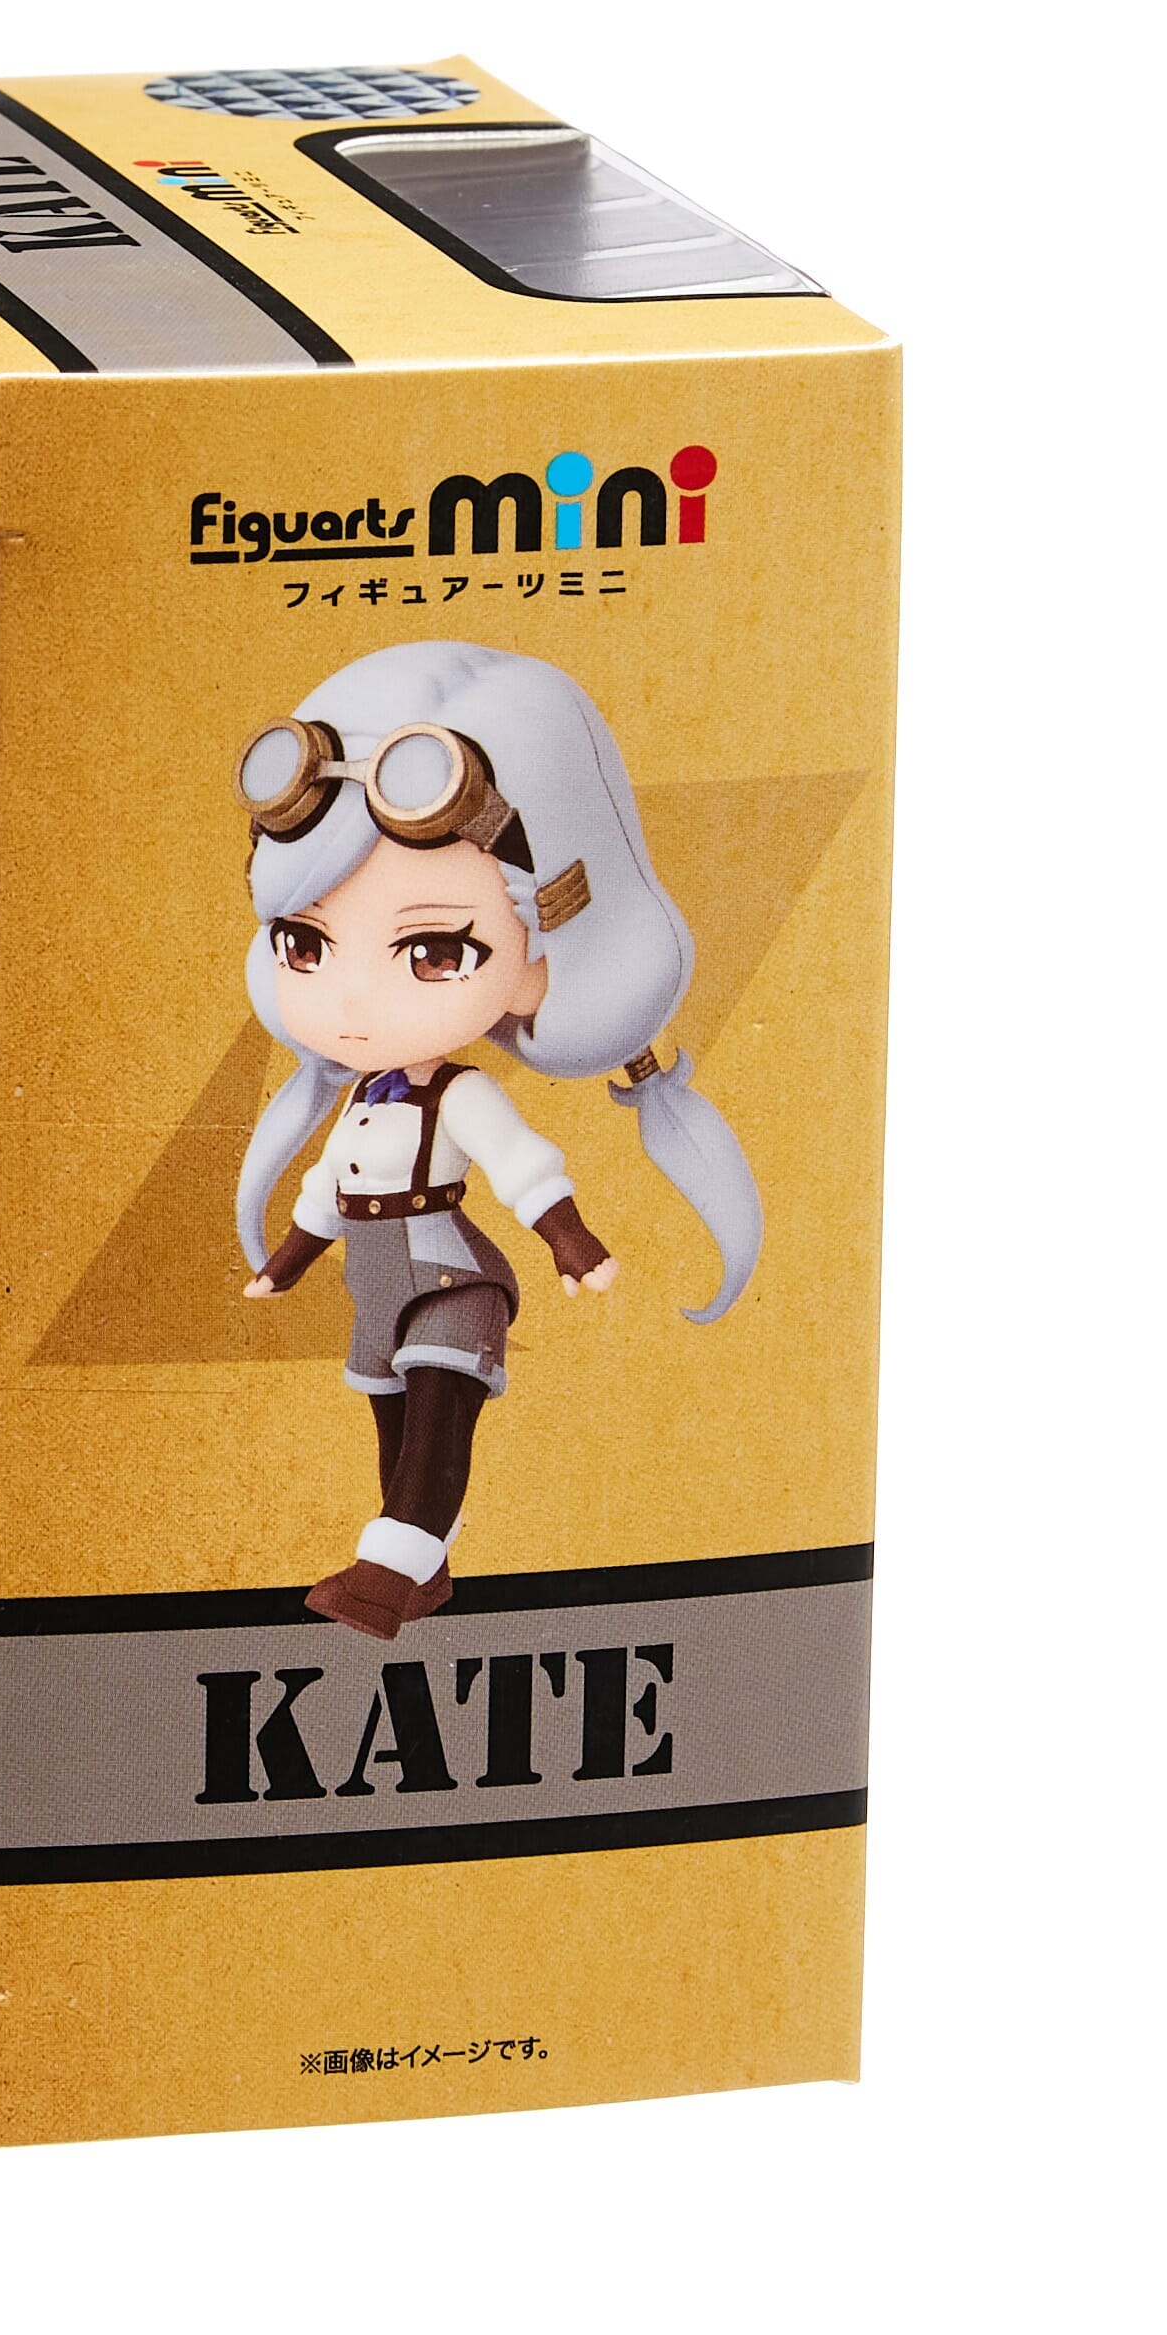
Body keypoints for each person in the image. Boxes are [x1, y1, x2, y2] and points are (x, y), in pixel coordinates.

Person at [235, 643, 762, 1640]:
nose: (352, 1004)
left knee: (437, 1426)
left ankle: (383, 1578)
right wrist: (288, 1261)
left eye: (433, 952)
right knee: (395, 1431)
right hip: (375, 1286)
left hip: (452, 1281)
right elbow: (327, 1191)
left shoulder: (461, 1094)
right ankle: (424, 1570)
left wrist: (572, 1242)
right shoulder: (364, 1099)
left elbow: (522, 1168)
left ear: (537, 953)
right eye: (304, 944)